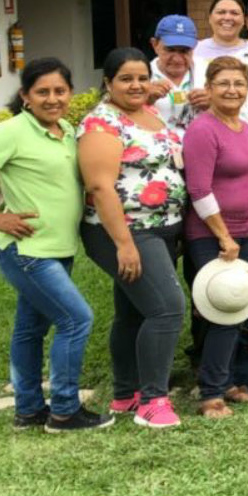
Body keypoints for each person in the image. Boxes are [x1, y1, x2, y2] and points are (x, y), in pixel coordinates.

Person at [0, 58, 111, 433]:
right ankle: (66, 410)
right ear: (25, 96)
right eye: (42, 92)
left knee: (30, 330)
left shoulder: (67, 130)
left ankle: (29, 409)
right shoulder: (12, 131)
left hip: (57, 248)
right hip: (27, 251)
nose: (52, 99)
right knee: (76, 319)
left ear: (70, 94)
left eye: (60, 91)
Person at [76, 49, 188, 429]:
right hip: (126, 231)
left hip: (162, 227)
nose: (136, 85)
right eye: (125, 78)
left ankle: (126, 394)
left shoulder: (148, 114)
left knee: (133, 312)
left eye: (142, 77)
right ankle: (153, 400)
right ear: (107, 83)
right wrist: (124, 244)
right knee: (167, 308)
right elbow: (100, 186)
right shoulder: (101, 124)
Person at [182, 56, 248, 418]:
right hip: (214, 236)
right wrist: (223, 236)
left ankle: (228, 380)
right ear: (209, 88)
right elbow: (199, 189)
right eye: (223, 83)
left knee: (241, 307)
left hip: (247, 230)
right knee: (220, 310)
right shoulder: (203, 129)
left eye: (239, 84)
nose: (232, 90)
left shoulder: (242, 126)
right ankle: (211, 392)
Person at [147, 13, 207, 130]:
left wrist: (214, 103)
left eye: (185, 51)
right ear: (155, 44)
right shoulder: (141, 76)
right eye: (170, 50)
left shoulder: (208, 71)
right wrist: (143, 99)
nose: (177, 59)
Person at [192, 0, 248, 78]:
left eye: (234, 13)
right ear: (210, 18)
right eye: (221, 12)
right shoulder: (193, 51)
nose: (227, 17)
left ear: (244, 20)